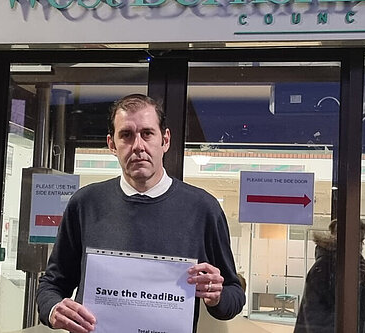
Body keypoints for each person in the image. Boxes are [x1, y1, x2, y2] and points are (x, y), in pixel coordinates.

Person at [36, 94, 246, 333]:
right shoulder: (85, 204)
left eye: (147, 133)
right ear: (111, 144)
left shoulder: (203, 208)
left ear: (165, 140)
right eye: (126, 135)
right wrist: (54, 309)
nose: (138, 146)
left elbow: (234, 296)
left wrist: (217, 295)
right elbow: (51, 285)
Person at [294, 219, 365, 333]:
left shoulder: (360, 265)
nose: (361, 246)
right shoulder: (323, 267)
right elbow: (315, 317)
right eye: (357, 240)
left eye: (361, 241)